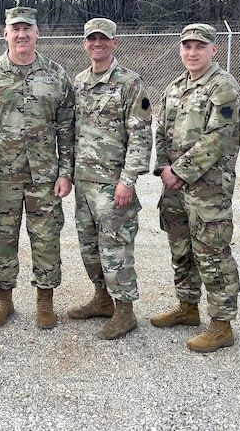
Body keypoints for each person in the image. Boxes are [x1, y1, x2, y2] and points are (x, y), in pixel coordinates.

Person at [0, 6, 75, 329]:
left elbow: (66, 129)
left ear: (37, 33)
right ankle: (4, 299)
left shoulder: (56, 76)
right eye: (15, 29)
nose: (21, 34)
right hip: (2, 178)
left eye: (27, 28)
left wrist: (65, 171)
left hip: (44, 177)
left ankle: (45, 300)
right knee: (1, 238)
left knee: (46, 238)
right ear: (6, 34)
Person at [151, 23, 240, 353]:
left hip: (208, 189)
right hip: (174, 187)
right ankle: (187, 307)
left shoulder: (224, 87)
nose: (192, 52)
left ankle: (221, 324)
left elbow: (217, 139)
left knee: (212, 252)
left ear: (213, 50)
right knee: (181, 249)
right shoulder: (175, 87)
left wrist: (179, 171)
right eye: (187, 46)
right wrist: (163, 167)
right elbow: (160, 130)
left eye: (199, 47)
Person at [68, 18, 152, 340]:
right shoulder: (79, 82)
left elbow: (141, 136)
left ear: (115, 43)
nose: (97, 43)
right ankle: (102, 300)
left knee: (116, 249)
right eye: (92, 39)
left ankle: (125, 312)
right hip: (84, 183)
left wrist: (128, 180)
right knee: (89, 248)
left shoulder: (130, 83)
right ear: (85, 43)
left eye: (104, 39)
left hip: (113, 185)